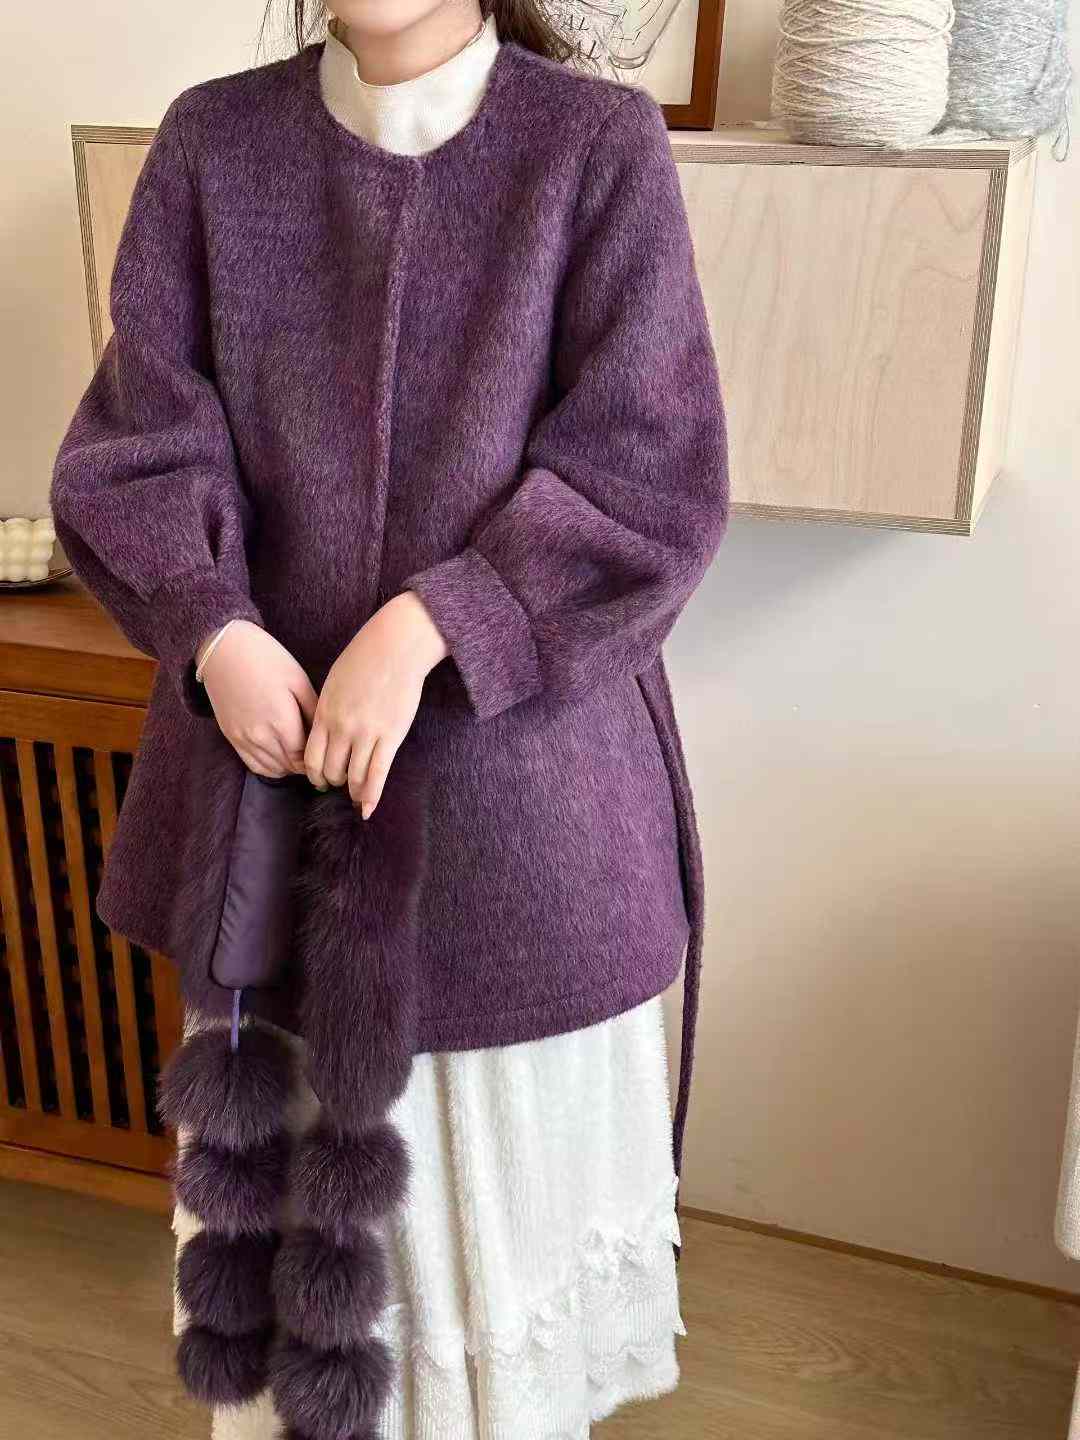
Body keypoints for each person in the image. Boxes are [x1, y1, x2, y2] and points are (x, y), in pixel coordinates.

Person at [50, 2, 729, 1436]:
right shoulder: (213, 143)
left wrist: (435, 625)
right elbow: (140, 436)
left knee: (484, 1294)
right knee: (293, 1288)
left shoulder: (593, 146)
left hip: (519, 826)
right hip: (265, 796)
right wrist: (214, 628)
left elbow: (648, 471)